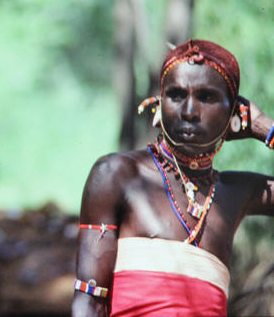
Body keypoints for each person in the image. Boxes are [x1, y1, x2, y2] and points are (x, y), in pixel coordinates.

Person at [71, 39, 274, 316]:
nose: (189, 111)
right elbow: (88, 304)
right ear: (159, 102)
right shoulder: (117, 175)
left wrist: (265, 128)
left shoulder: (237, 193)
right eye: (177, 95)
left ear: (233, 112)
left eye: (206, 97)